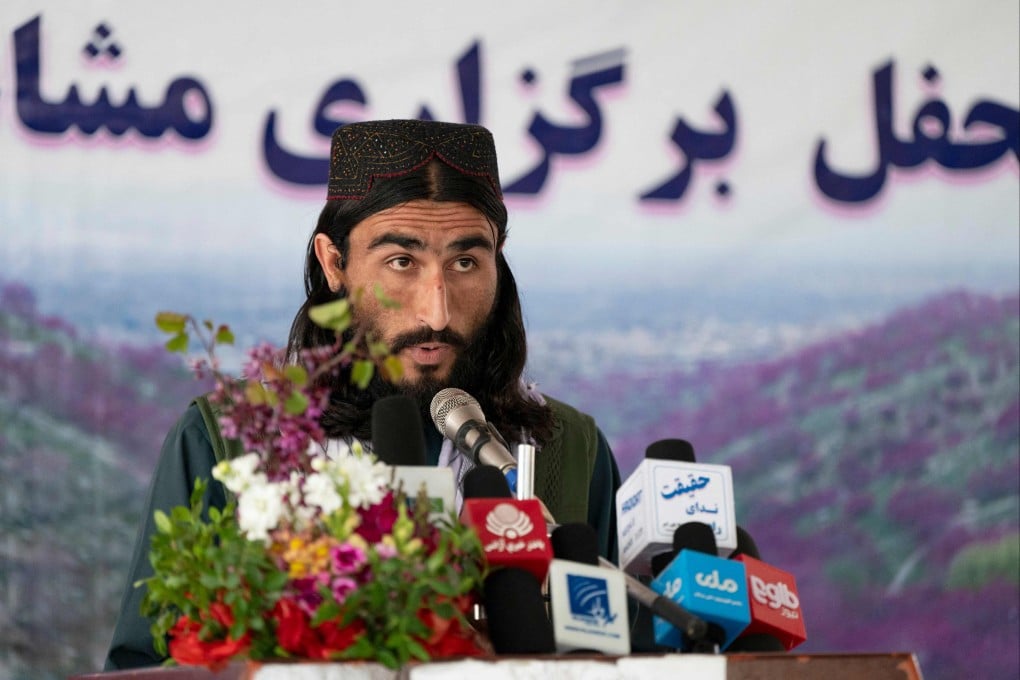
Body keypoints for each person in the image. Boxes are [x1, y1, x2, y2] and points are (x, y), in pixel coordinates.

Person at [104, 119, 622, 669]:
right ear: (334, 263)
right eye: (401, 262)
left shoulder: (570, 449)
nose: (436, 312)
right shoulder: (231, 442)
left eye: (465, 262)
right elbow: (144, 667)